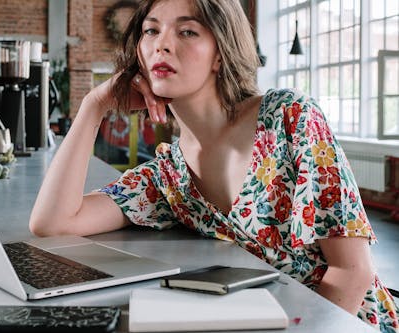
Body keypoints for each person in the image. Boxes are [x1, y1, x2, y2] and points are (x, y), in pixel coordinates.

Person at [30, 0, 398, 330]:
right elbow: (53, 223)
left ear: (220, 53)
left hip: (346, 323)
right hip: (264, 321)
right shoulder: (169, 177)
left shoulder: (289, 118)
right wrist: (95, 106)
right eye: (151, 30)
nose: (162, 43)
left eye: (187, 31)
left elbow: (353, 272)